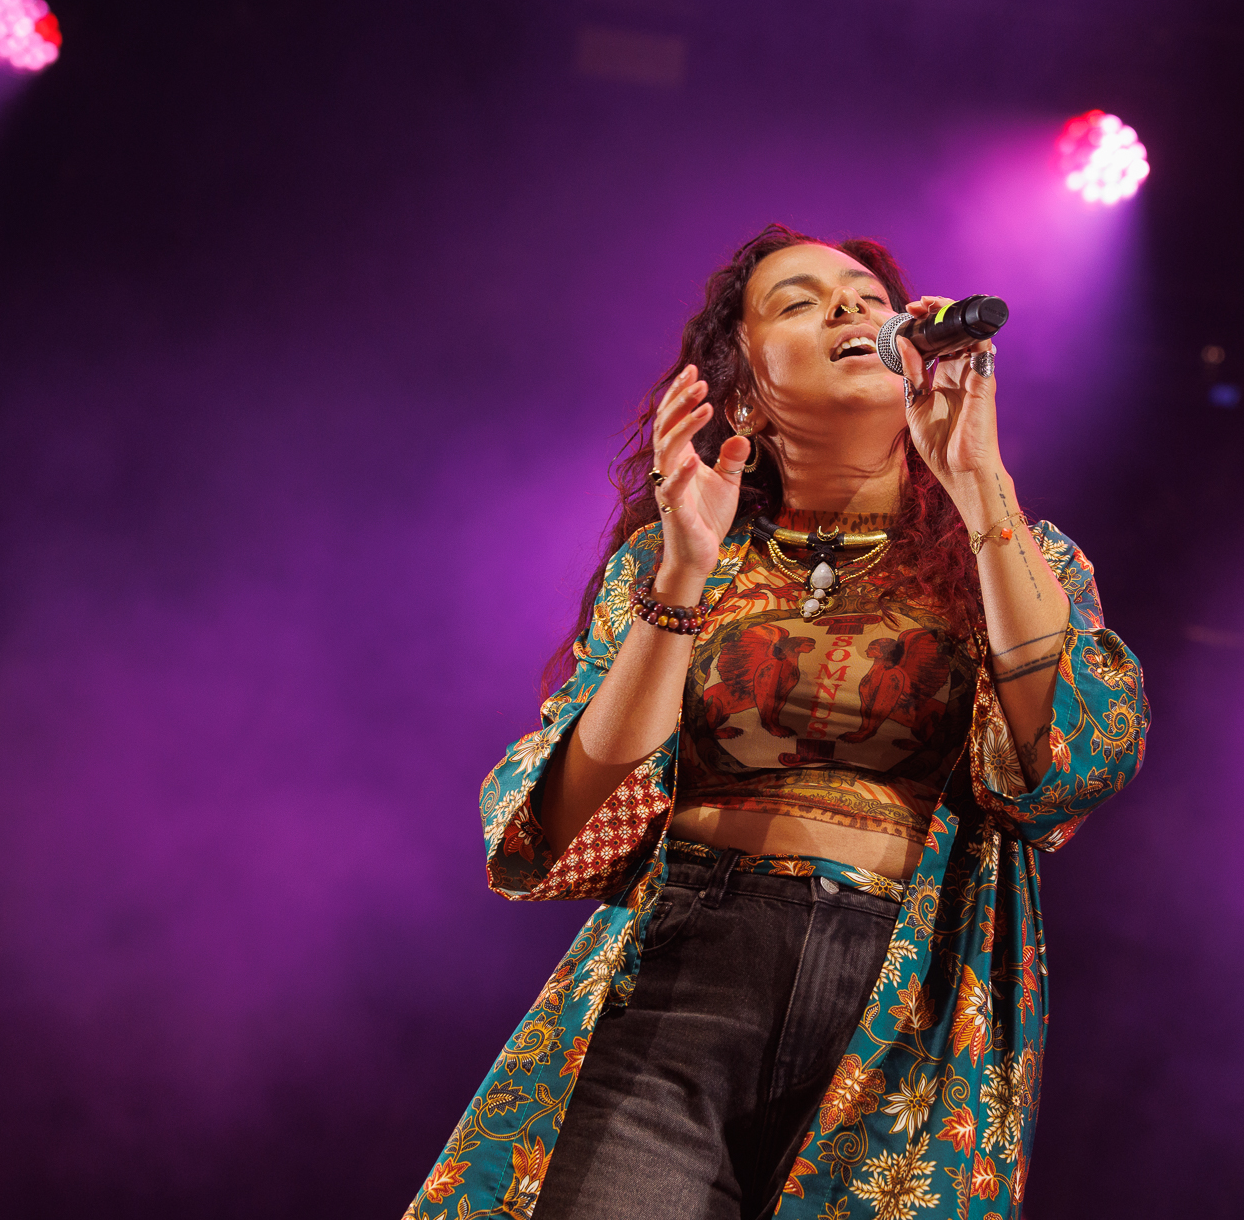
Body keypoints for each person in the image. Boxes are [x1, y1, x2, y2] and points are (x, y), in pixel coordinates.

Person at [404, 225, 1148, 1220]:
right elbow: (565, 825)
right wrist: (681, 576)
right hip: (686, 972)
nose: (850, 308)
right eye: (798, 301)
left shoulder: (1014, 552)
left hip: (909, 1001)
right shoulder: (679, 560)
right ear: (748, 395)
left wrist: (980, 484)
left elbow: (1073, 758)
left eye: (869, 297)